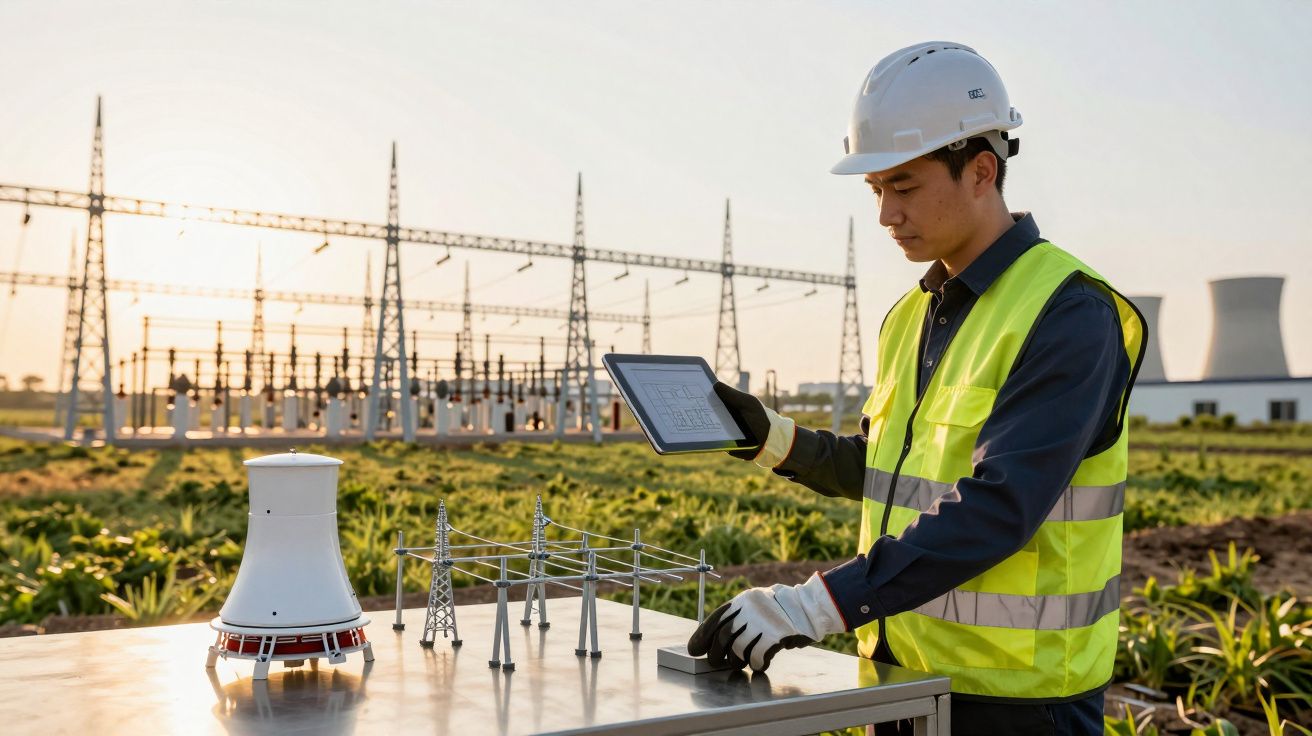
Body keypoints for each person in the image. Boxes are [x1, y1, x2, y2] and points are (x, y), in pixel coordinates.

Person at [687, 41, 1147, 736]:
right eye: (875, 191)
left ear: (982, 171)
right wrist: (767, 438)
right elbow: (892, 470)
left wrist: (810, 607)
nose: (886, 215)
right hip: (901, 682)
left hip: (1019, 705)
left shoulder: (1068, 311)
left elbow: (1000, 504)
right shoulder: (911, 315)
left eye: (903, 187)